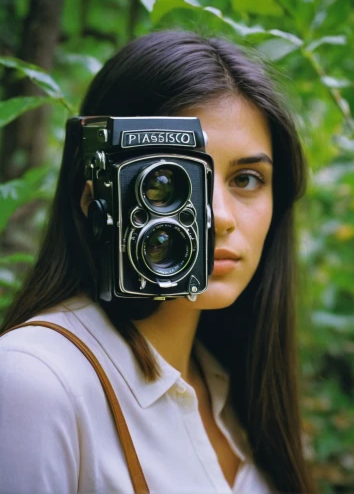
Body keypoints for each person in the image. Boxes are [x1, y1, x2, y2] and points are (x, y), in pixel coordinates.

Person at [0, 31, 315, 493]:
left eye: (246, 179)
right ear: (97, 197)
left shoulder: (237, 385)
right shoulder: (36, 380)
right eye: (172, 181)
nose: (221, 218)